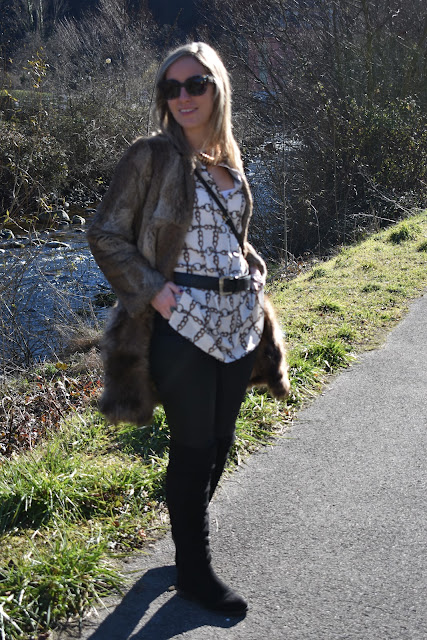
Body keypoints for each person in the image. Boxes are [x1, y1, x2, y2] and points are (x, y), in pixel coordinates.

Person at [88, 42, 290, 617]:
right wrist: (153, 289)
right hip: (182, 326)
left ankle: (185, 541)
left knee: (221, 440)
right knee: (193, 446)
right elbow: (104, 233)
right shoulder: (150, 156)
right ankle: (195, 572)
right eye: (171, 87)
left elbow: (228, 236)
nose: (183, 96)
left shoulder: (228, 158)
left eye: (195, 83)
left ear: (217, 88)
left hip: (240, 323)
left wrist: (252, 265)